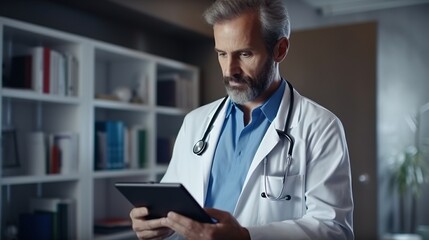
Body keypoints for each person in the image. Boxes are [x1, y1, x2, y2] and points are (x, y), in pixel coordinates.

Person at [129, 0, 354, 239]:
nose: (230, 70)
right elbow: (171, 205)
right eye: (222, 54)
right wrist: (151, 221)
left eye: (245, 54)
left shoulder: (320, 126)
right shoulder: (195, 123)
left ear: (280, 49)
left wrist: (245, 237)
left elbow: (335, 230)